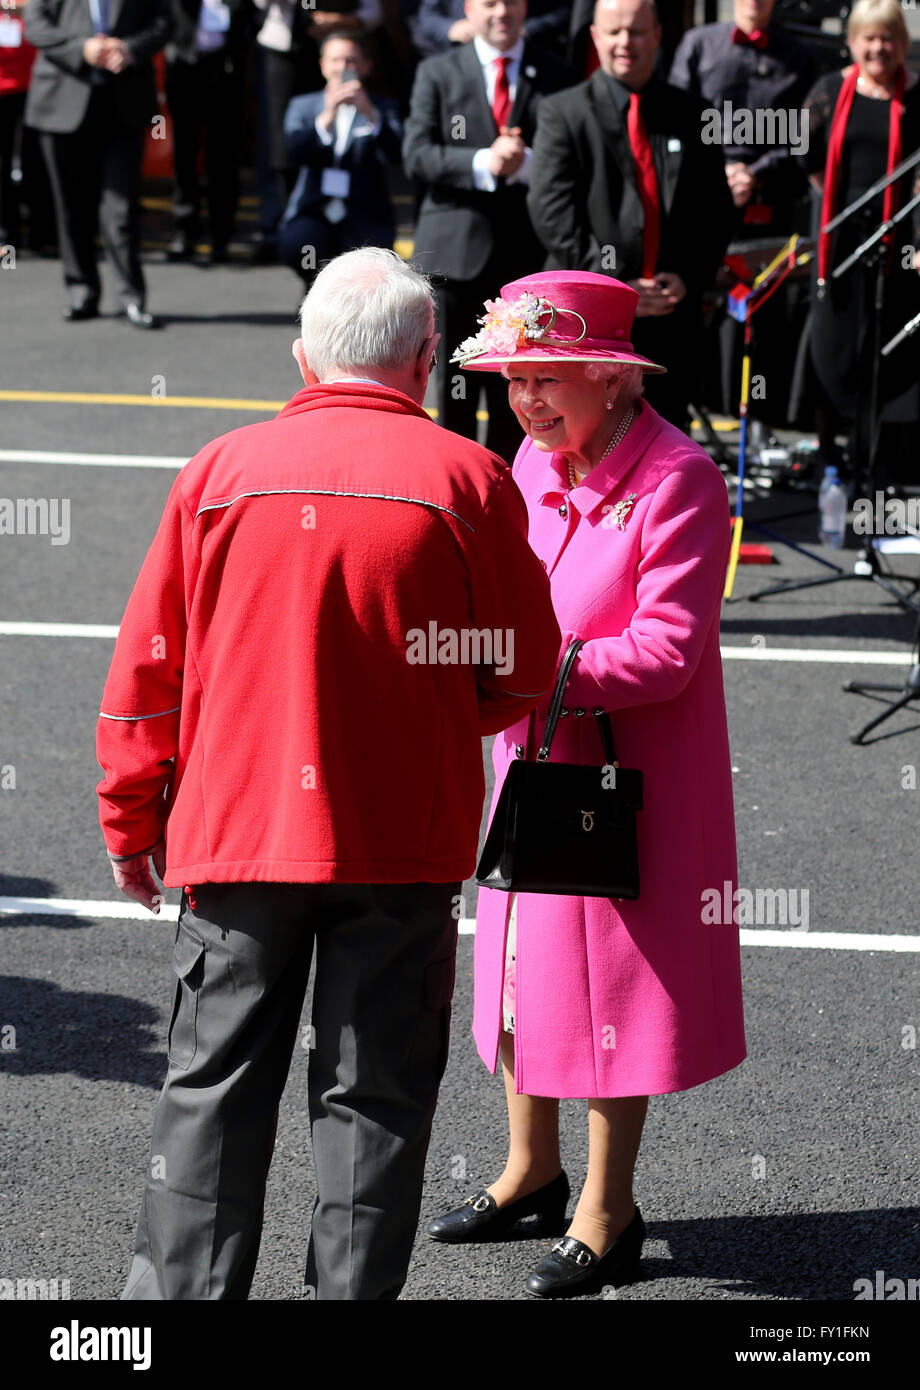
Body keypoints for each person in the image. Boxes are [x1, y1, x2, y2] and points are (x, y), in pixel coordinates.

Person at [97, 247, 561, 1301]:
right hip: (398, 840)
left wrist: (131, 821)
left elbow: (145, 676)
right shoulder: (468, 479)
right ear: (424, 359)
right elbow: (523, 669)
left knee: (209, 1095)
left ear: (303, 358)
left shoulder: (215, 474)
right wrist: (441, 713)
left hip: (238, 835)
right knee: (375, 1100)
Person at [428, 269, 746, 1298]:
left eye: (546, 378)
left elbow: (669, 649)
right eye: (514, 379)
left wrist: (530, 665)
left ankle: (605, 1210)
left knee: (611, 990)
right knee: (520, 969)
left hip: (622, 774)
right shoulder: (531, 455)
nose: (523, 400)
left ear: (611, 381)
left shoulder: (679, 477)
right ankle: (531, 1169)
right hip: (531, 754)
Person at [527, 0, 734, 428]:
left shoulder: (694, 114)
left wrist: (689, 276)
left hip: (671, 320)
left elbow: (715, 211)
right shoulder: (562, 112)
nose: (626, 43)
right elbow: (552, 213)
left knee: (665, 448)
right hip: (587, 321)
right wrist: (617, 287)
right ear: (595, 37)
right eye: (615, 32)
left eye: (637, 32)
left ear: (658, 35)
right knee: (586, 444)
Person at [403, 0, 571, 458]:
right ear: (469, 9)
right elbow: (416, 154)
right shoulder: (437, 72)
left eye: (512, 2)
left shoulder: (555, 72)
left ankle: (509, 492)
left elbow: (573, 155)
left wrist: (527, 163)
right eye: (489, 2)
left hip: (526, 255)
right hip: (456, 254)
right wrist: (483, 162)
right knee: (455, 384)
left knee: (520, 387)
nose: (502, 12)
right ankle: (455, 493)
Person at [792, 0, 920, 491]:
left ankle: (877, 461)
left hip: (898, 241)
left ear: (902, 45)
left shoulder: (914, 95)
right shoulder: (830, 90)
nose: (877, 48)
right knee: (834, 348)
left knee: (885, 353)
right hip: (841, 240)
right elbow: (803, 149)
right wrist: (830, 195)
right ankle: (830, 457)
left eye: (887, 38)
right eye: (868, 37)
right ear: (852, 42)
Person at [669, 0, 814, 427]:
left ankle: (761, 416)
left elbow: (802, 133)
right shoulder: (698, 44)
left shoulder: (797, 56)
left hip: (769, 201)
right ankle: (693, 412)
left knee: (765, 310)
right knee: (696, 301)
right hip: (702, 199)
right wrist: (720, 171)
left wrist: (756, 172)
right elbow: (677, 114)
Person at [24, 0, 173, 326]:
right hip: (62, 101)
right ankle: (82, 291)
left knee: (121, 208)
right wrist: (82, 49)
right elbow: (35, 23)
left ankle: (130, 297)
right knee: (71, 207)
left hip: (124, 104)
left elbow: (164, 22)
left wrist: (130, 49)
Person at [278, 28, 403, 286]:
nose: (343, 67)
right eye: (335, 60)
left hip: (364, 209)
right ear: (323, 65)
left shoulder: (384, 107)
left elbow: (396, 154)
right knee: (297, 245)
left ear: (365, 67)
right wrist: (327, 117)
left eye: (351, 61)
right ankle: (314, 289)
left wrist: (370, 114)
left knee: (372, 267)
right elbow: (292, 153)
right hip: (315, 206)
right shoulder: (303, 106)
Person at [163, 0, 252, 265]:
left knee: (223, 158)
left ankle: (221, 235)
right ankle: (184, 230)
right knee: (185, 155)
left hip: (226, 71)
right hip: (185, 68)